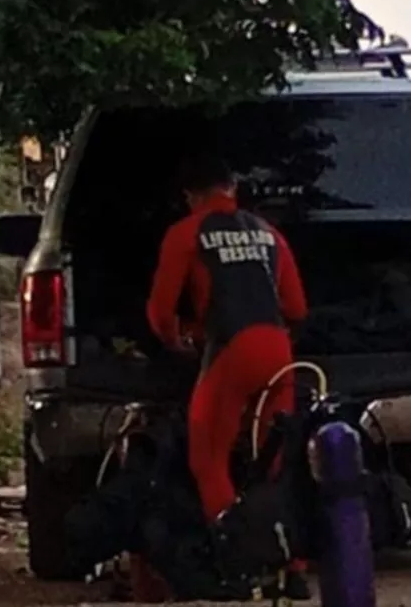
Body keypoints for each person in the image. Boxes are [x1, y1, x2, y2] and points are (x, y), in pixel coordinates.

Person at [146, 154, 310, 597]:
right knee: (275, 459)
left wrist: (178, 340)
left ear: (190, 197)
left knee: (209, 457)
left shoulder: (186, 233)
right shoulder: (267, 233)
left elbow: (161, 312)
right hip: (279, 352)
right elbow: (296, 308)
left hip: (230, 352)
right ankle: (292, 564)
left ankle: (239, 565)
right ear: (232, 188)